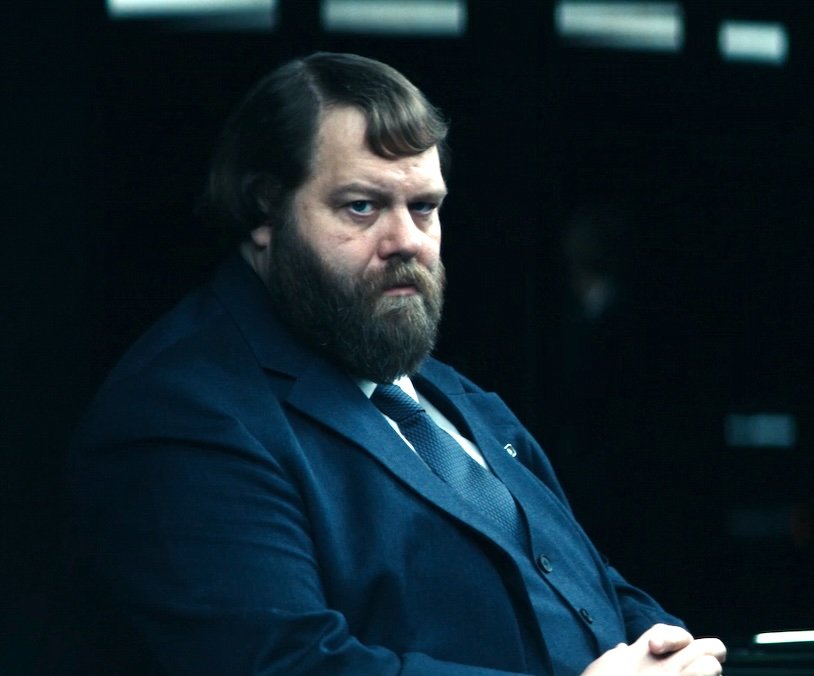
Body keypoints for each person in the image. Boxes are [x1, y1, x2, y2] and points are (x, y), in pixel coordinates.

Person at [59, 52, 725, 675]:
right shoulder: (182, 411)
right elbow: (287, 664)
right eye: (362, 206)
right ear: (264, 210)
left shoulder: (451, 396)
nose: (406, 241)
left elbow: (590, 584)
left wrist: (669, 649)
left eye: (424, 208)